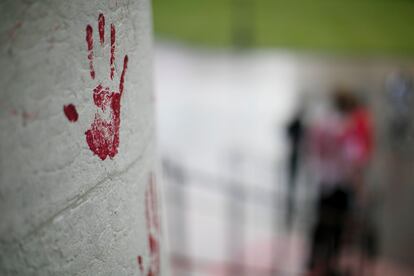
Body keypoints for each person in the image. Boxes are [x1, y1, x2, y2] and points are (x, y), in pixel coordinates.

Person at [307, 89, 373, 276]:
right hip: (340, 184)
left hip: (323, 181)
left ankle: (314, 260)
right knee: (337, 225)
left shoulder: (321, 123)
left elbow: (312, 151)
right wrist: (360, 188)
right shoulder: (347, 128)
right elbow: (356, 158)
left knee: (320, 222)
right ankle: (329, 264)